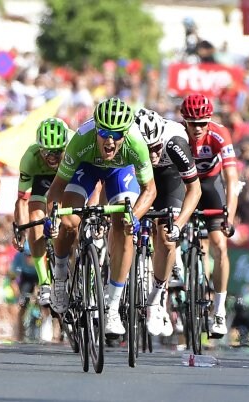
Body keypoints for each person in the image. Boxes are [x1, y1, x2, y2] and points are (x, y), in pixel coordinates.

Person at [46, 97, 156, 336]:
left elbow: (150, 189)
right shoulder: (81, 140)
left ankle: (112, 306)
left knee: (124, 228)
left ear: (125, 134)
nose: (109, 140)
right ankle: (61, 276)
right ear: (96, 129)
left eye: (116, 135)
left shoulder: (136, 144)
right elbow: (57, 187)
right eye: (104, 132)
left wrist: (135, 217)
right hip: (86, 167)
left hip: (120, 171)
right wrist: (52, 215)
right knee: (69, 223)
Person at [134, 108, 201, 337]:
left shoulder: (174, 142)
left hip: (169, 176)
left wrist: (179, 224)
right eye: (147, 149)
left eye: (155, 148)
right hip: (139, 177)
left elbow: (194, 189)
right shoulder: (129, 143)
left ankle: (157, 295)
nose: (152, 155)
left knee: (166, 235)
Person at [180, 93, 238, 336]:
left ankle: (219, 309)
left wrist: (230, 217)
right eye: (192, 124)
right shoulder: (178, 135)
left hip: (211, 185)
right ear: (184, 122)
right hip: (184, 185)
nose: (197, 129)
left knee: (219, 245)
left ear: (209, 120)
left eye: (202, 123)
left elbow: (232, 179)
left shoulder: (219, 134)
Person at [13, 117, 73, 342]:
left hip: (69, 178)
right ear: (39, 148)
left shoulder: (74, 149)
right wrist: (19, 229)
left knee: (72, 222)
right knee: (36, 218)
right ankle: (45, 282)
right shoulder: (29, 158)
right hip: (42, 181)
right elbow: (21, 201)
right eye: (47, 152)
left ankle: (79, 268)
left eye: (58, 152)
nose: (53, 157)